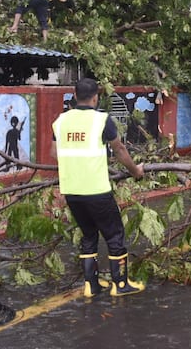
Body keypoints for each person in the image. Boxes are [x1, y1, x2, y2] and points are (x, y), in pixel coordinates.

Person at [51, 78, 146, 297]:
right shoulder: (102, 120)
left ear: (74, 96)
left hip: (72, 191)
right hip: (96, 190)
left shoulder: (61, 121)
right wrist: (135, 171)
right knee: (114, 235)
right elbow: (120, 150)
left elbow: (54, 154)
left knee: (88, 235)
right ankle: (121, 284)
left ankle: (91, 285)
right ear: (96, 97)